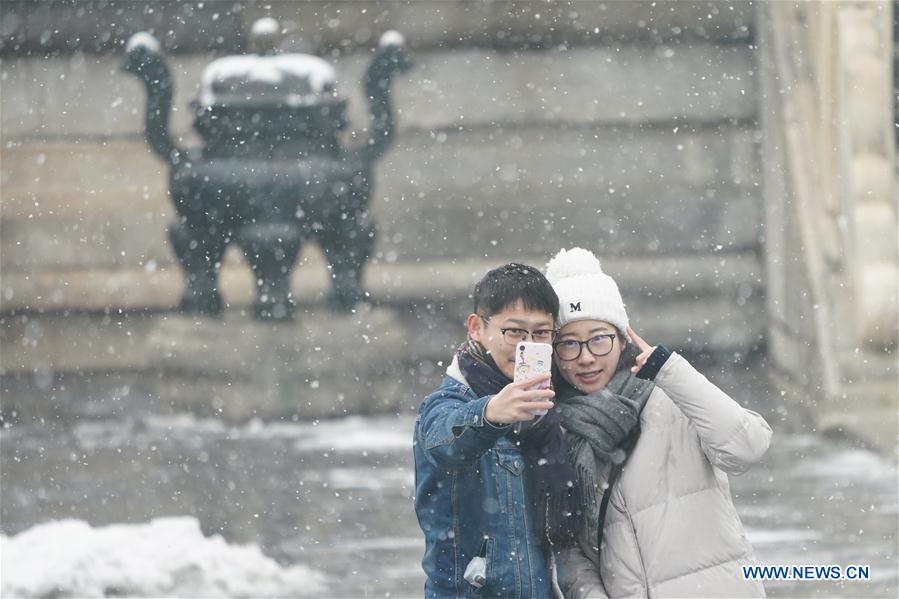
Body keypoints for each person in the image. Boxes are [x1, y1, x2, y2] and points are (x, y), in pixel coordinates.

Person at [545, 247, 772, 599]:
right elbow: (569, 548)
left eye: (599, 339)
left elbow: (746, 448)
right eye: (569, 344)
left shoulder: (671, 397)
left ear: (623, 339)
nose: (586, 357)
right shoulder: (555, 429)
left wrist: (670, 371)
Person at [414, 263, 578, 599]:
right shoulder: (450, 400)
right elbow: (443, 441)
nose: (527, 346)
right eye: (514, 332)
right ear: (476, 328)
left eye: (541, 333)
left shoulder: (546, 410)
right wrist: (489, 414)